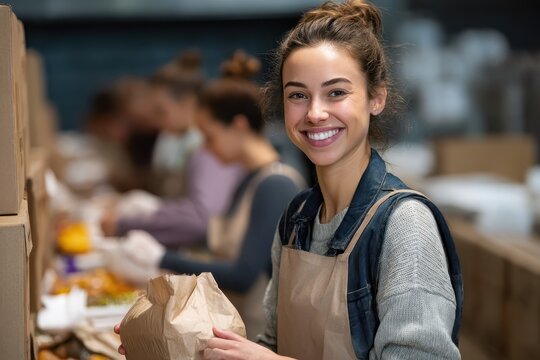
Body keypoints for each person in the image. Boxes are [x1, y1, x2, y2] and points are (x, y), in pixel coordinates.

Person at [199, 1, 463, 359]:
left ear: (376, 98)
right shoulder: (296, 217)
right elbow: (273, 345)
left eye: (336, 92)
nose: (314, 113)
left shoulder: (405, 225)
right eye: (298, 95)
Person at [114, 51, 305, 340]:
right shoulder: (248, 179)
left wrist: (161, 256)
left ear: (239, 127)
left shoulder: (276, 184)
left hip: (258, 339)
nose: (206, 148)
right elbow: (220, 247)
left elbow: (242, 275)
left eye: (210, 135)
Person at [100, 55, 244, 249]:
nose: (157, 121)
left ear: (188, 104)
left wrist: (127, 224)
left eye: (162, 111)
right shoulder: (176, 140)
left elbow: (201, 220)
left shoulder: (208, 148)